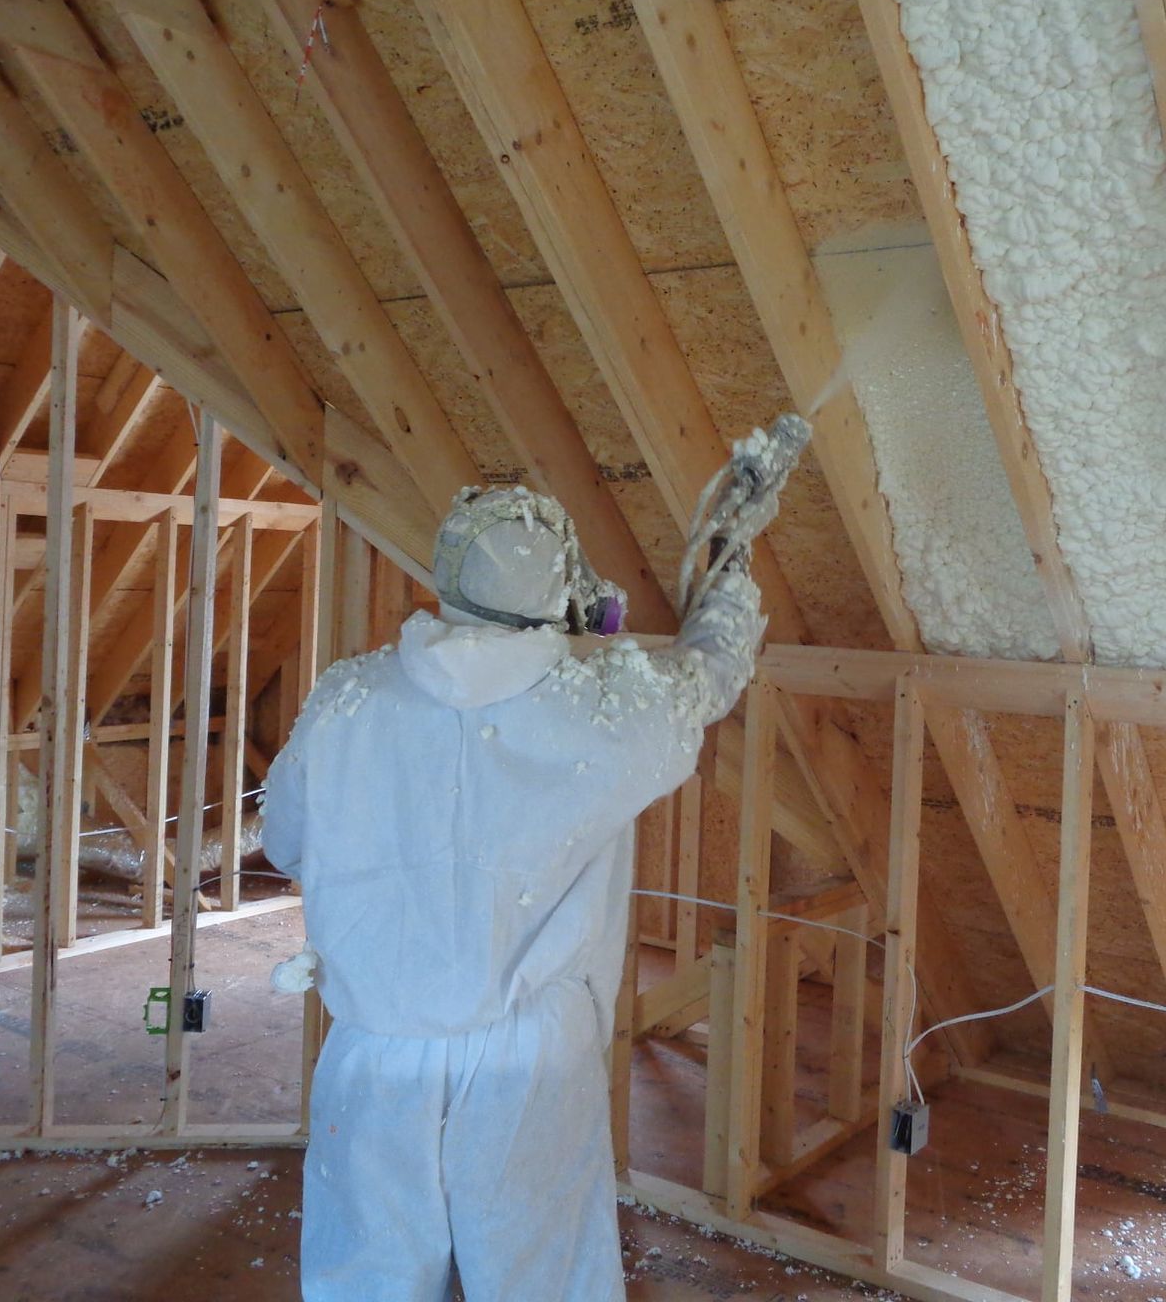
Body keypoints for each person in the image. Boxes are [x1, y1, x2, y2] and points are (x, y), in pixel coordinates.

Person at [262, 428, 801, 1301]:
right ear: (559, 593)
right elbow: (709, 673)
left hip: (374, 1053)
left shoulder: (346, 699)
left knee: (368, 1279)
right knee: (541, 1276)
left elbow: (284, 840)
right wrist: (731, 565)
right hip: (528, 1064)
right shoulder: (602, 709)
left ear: (447, 576)